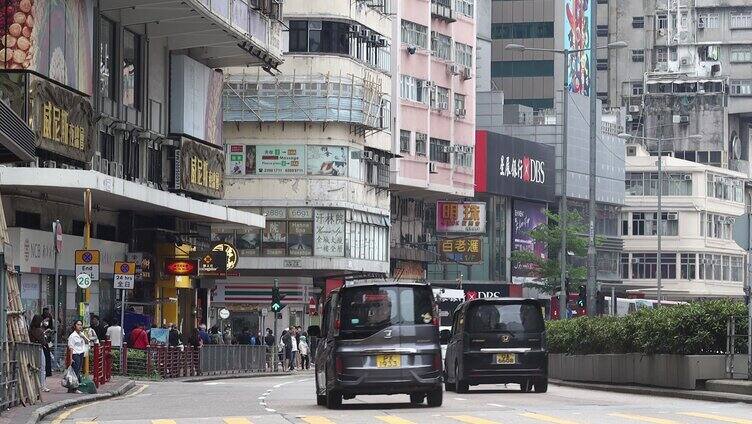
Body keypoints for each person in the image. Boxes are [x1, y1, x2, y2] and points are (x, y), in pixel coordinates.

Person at [29, 315, 50, 392]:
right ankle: (42, 386)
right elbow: (43, 342)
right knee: (42, 368)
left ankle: (34, 385)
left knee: (33, 368)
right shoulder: (39, 330)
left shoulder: (30, 330)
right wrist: (44, 336)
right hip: (39, 350)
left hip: (31, 350)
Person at [67, 320, 88, 393]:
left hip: (81, 353)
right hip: (75, 354)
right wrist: (71, 358)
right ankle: (73, 389)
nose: (80, 326)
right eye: (78, 324)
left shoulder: (81, 334)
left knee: (78, 371)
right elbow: (71, 348)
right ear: (75, 326)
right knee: (75, 372)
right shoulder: (72, 336)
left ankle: (73, 388)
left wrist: (83, 337)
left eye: (81, 325)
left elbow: (87, 342)